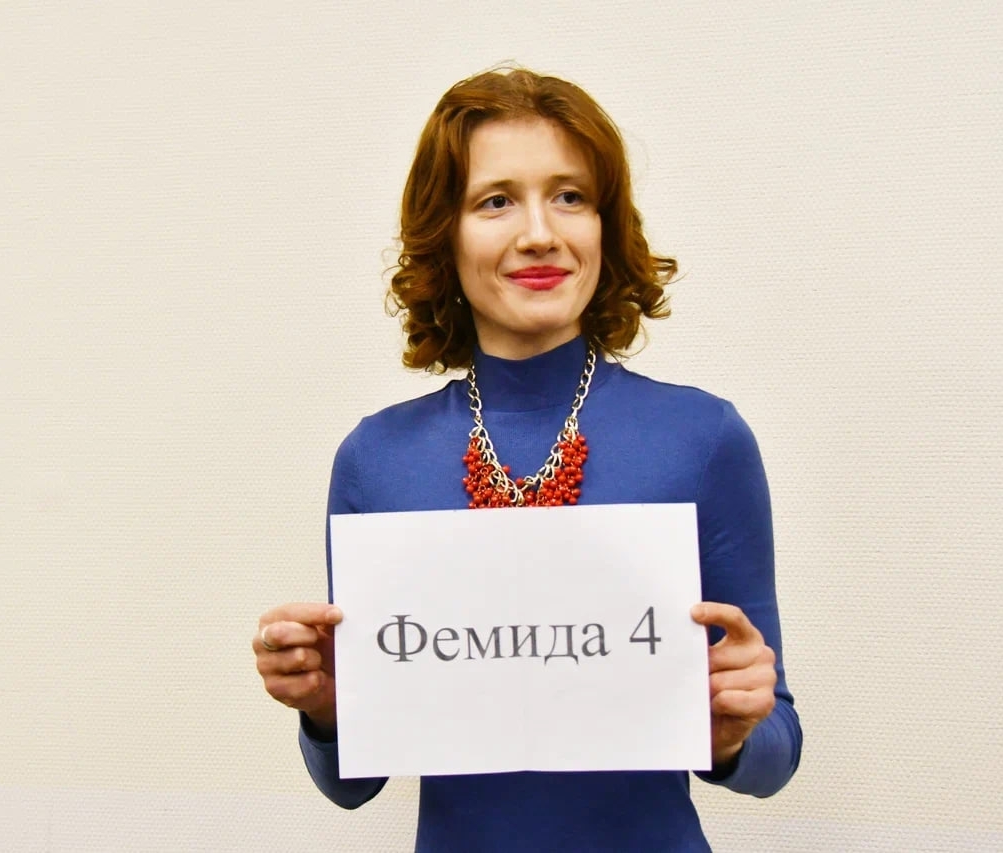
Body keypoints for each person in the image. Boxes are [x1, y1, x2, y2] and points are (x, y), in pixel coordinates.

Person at [252, 67, 802, 852]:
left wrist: (733, 731)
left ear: (605, 224)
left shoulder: (704, 438)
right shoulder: (376, 458)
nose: (540, 232)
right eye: (496, 200)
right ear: (445, 234)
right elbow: (351, 782)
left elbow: (778, 748)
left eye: (570, 196)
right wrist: (326, 706)